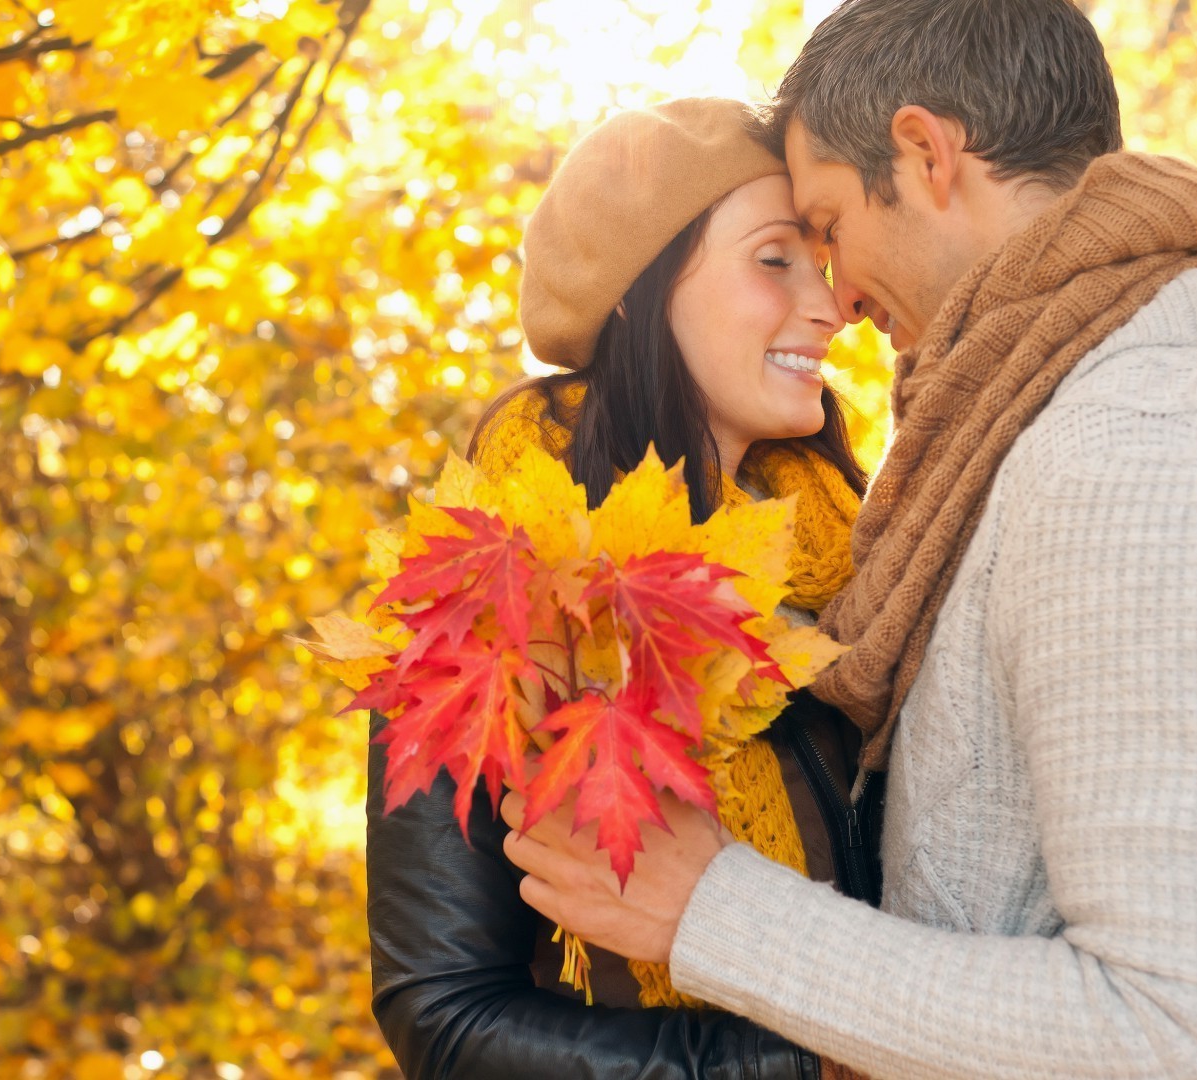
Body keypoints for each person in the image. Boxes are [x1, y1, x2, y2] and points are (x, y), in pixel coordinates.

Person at [500, 2, 1197, 1078]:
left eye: (830, 228)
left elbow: (1192, 1042)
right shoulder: (1171, 407)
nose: (837, 295)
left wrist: (717, 914)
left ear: (927, 154)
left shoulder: (1138, 463)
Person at [366, 97, 880, 1079]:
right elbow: (445, 1015)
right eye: (775, 259)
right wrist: (811, 1067)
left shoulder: (873, 567)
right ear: (637, 293)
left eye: (821, 261)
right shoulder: (498, 600)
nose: (829, 304)